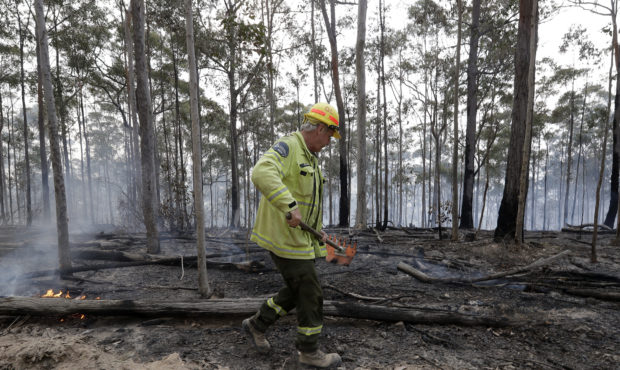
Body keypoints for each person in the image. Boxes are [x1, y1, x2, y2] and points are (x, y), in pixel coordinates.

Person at [242, 102, 342, 368]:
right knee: (310, 290)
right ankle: (309, 353)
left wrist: (315, 230)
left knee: (296, 288)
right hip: (282, 238)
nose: (330, 142)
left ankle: (257, 324)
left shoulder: (310, 157)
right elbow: (261, 172)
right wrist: (288, 206)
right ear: (320, 128)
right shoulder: (289, 147)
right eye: (329, 135)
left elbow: (305, 201)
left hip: (299, 239)